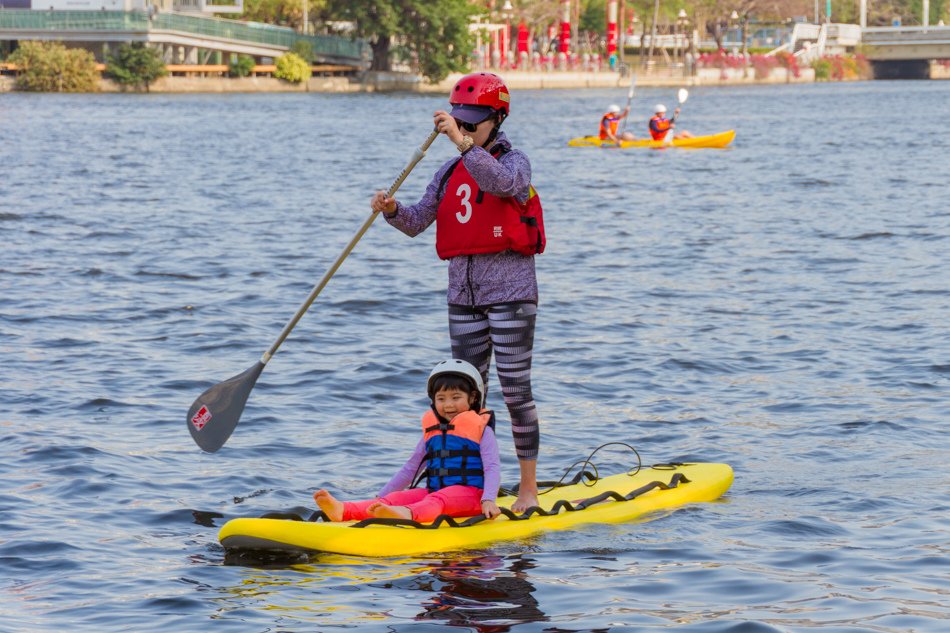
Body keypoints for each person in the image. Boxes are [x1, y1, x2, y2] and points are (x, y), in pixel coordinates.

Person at [370, 72, 542, 513]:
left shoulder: (515, 160)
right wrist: (391, 210)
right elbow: (416, 222)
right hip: (461, 298)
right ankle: (476, 488)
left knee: (515, 389)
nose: (464, 130)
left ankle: (527, 489)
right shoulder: (447, 171)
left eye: (472, 123)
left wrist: (463, 145)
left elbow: (504, 186)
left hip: (510, 294)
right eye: (460, 122)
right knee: (468, 397)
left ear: (497, 119)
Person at [314, 360, 502, 523]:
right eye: (441, 398)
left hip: (472, 496)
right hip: (434, 492)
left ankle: (405, 515)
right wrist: (381, 496)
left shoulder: (482, 431)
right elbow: (411, 468)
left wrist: (488, 500)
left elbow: (492, 467)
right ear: (433, 401)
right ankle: (344, 511)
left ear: (473, 397)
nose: (448, 405)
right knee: (396, 497)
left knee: (437, 500)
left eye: (456, 397)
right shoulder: (432, 433)